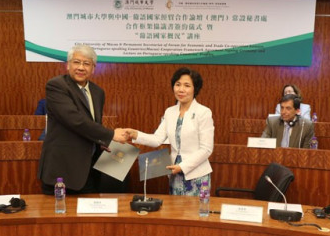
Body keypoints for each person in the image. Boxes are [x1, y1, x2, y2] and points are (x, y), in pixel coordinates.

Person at [38, 44, 128, 195]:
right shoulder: (57, 86)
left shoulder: (97, 92)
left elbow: (93, 125)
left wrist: (103, 142)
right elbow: (76, 121)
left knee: (93, 212)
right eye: (76, 62)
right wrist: (111, 135)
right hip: (64, 169)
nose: (81, 67)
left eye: (86, 63)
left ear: (93, 68)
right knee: (63, 216)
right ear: (68, 65)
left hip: (90, 168)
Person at [126, 67, 214, 196]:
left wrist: (182, 166)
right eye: (177, 84)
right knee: (176, 213)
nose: (181, 89)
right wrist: (135, 134)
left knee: (194, 215)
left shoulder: (204, 112)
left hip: (197, 175)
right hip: (174, 173)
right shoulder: (170, 112)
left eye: (187, 85)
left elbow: (206, 149)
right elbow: (157, 139)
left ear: (195, 89)